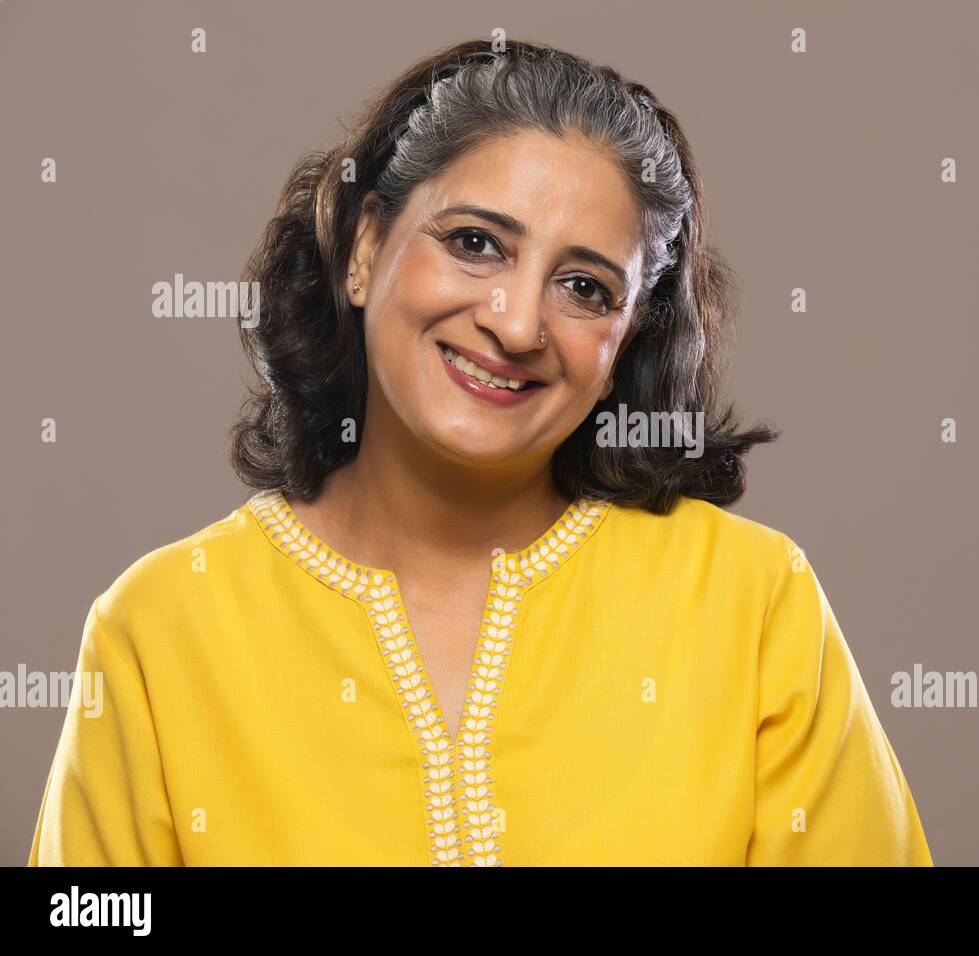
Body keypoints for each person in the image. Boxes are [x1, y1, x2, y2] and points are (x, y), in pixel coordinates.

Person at [29, 38, 932, 866]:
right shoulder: (158, 630)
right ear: (364, 246)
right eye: (475, 244)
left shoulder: (753, 603)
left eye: (583, 287)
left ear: (625, 340)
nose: (516, 322)